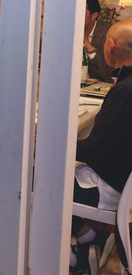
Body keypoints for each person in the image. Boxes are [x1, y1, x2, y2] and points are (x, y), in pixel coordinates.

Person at [69, 20, 132, 274]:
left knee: (31, 177)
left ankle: (82, 242)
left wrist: (54, 142)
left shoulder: (125, 91)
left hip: (113, 184)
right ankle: (87, 239)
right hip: (121, 172)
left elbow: (94, 151)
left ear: (111, 45)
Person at [83, 0, 114, 83]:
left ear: (93, 16)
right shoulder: (64, 30)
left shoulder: (108, 33)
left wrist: (89, 47)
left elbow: (111, 74)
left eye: (80, 10)